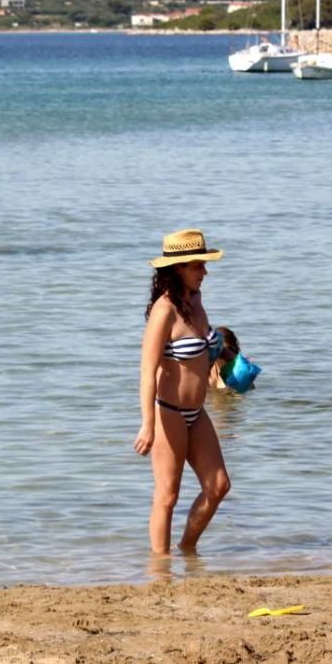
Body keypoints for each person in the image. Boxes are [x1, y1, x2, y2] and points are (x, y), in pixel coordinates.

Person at [133, 229, 231, 555]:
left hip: (197, 412)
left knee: (218, 485)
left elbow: (202, 350)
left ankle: (187, 549)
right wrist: (148, 424)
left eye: (204, 264)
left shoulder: (196, 300)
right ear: (178, 267)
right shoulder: (164, 311)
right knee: (167, 495)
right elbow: (147, 370)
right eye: (198, 265)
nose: (205, 272)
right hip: (169, 412)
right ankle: (160, 569)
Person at [209, 326, 260, 394]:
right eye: (221, 351)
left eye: (227, 350)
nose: (225, 355)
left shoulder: (241, 372)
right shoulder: (208, 372)